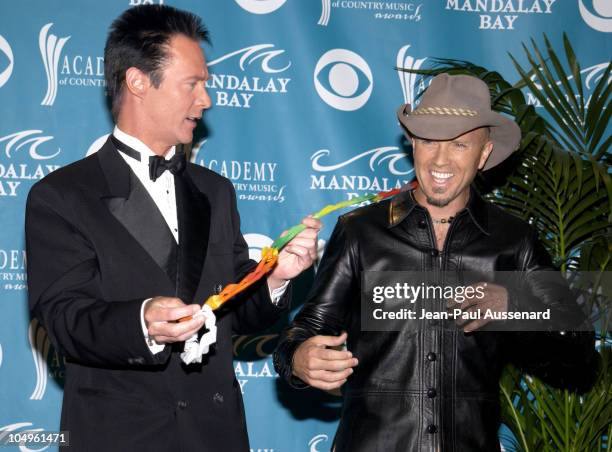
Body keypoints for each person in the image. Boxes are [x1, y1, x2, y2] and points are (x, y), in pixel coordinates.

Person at [25, 5, 320, 451]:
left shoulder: (215, 191)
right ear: (138, 81)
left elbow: (236, 310)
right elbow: (66, 319)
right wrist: (142, 321)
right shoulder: (62, 195)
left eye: (205, 85)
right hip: (119, 437)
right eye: (193, 84)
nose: (206, 100)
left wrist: (275, 277)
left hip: (215, 434)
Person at [273, 73, 597, 451]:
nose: (440, 160)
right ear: (412, 143)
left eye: (459, 144)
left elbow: (580, 351)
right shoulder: (360, 232)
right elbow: (305, 330)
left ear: (484, 153)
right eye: (428, 141)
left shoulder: (515, 240)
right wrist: (298, 358)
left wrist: (516, 305)